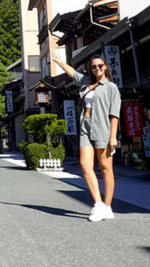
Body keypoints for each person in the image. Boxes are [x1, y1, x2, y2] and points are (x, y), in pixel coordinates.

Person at [50, 49, 121, 221]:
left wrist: (113, 137)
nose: (96, 68)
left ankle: (107, 206)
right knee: (84, 165)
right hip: (85, 126)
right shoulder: (86, 82)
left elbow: (114, 114)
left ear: (105, 68)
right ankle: (97, 204)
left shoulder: (111, 87)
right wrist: (59, 62)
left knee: (106, 169)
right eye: (93, 66)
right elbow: (72, 73)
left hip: (102, 127)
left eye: (99, 66)